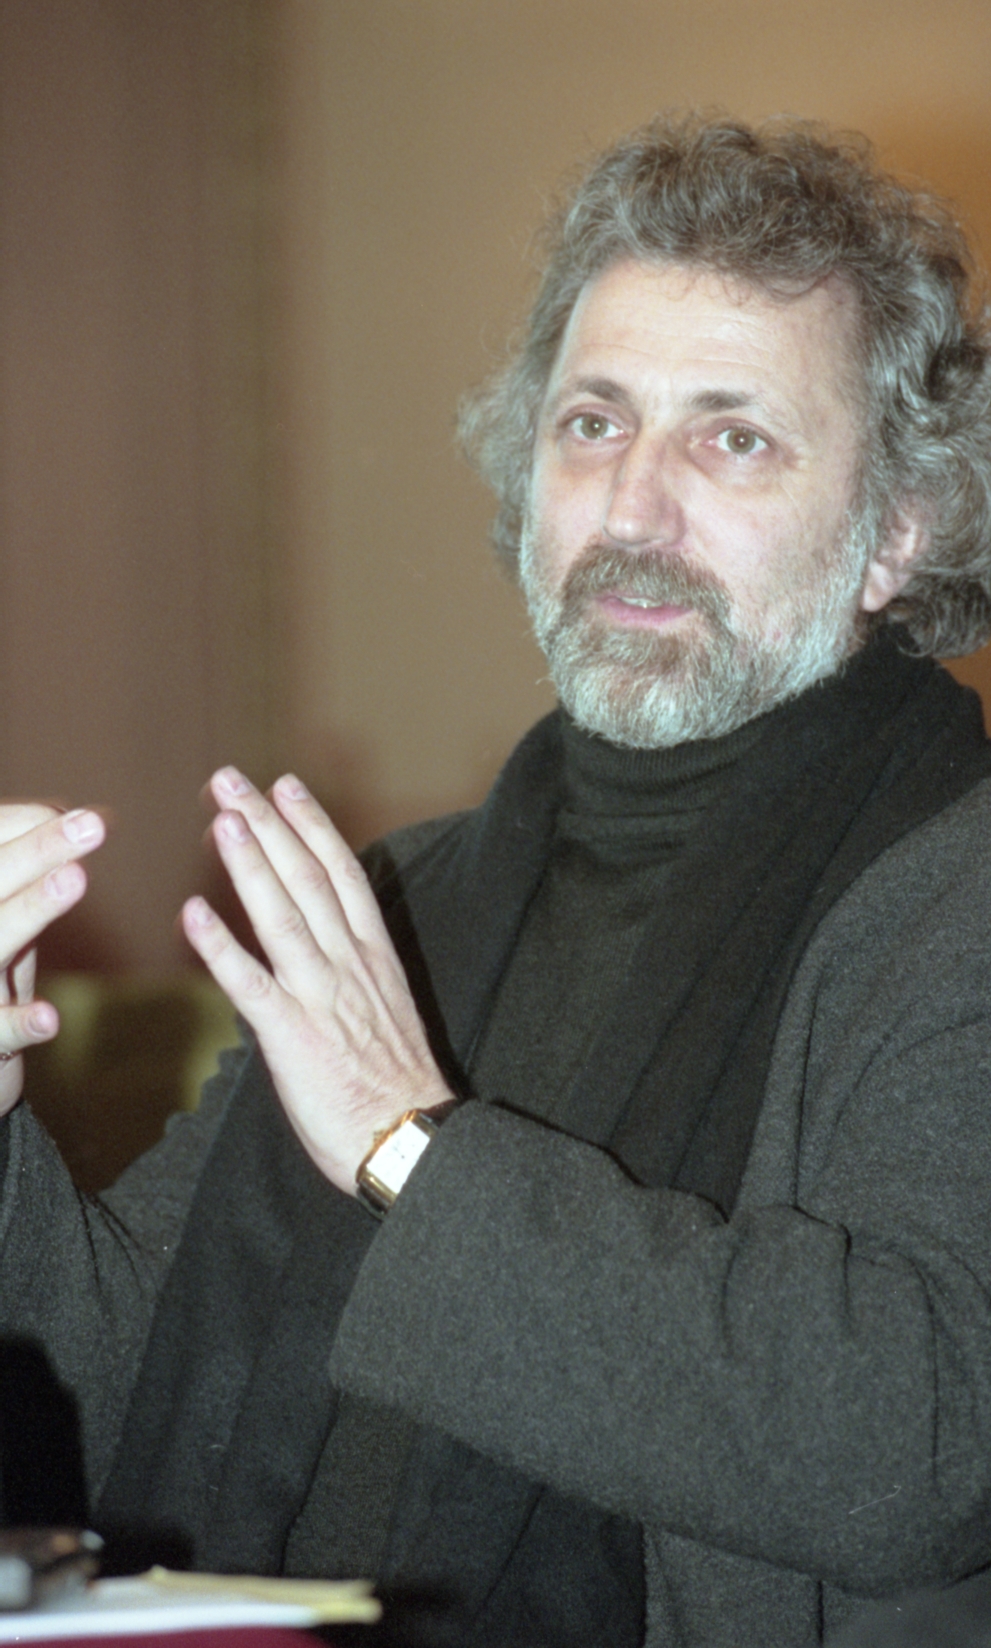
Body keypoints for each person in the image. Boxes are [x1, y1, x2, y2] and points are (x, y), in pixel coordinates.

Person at [4, 112, 991, 1648]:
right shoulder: (405, 901)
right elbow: (121, 1374)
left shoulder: (955, 901)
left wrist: (409, 1142)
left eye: (732, 438)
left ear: (897, 532)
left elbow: (920, 1442)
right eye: (593, 424)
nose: (632, 510)